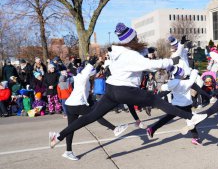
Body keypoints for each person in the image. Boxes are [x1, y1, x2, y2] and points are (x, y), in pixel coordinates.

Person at [48, 23, 206, 149]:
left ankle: (59, 136)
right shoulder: (130, 55)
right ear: (132, 39)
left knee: (91, 116)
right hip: (123, 90)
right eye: (136, 37)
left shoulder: (119, 52)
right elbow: (149, 64)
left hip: (111, 90)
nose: (138, 39)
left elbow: (143, 61)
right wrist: (172, 62)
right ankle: (191, 117)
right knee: (156, 100)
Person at [146, 67, 202, 145]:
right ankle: (195, 137)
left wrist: (165, 84)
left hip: (176, 106)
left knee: (167, 118)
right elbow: (193, 77)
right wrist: (195, 70)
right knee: (191, 120)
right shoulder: (187, 82)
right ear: (182, 74)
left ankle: (152, 129)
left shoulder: (172, 83)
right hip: (186, 105)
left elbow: (163, 88)